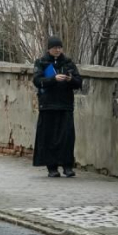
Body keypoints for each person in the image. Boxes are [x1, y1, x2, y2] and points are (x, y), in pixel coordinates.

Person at [32, 36, 82, 177]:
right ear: (49, 49)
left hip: (65, 105)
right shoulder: (41, 62)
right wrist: (53, 79)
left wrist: (70, 79)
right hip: (48, 105)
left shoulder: (68, 63)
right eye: (55, 48)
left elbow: (79, 82)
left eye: (60, 47)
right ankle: (52, 168)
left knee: (67, 137)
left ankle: (67, 167)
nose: (57, 50)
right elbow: (37, 80)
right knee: (49, 138)